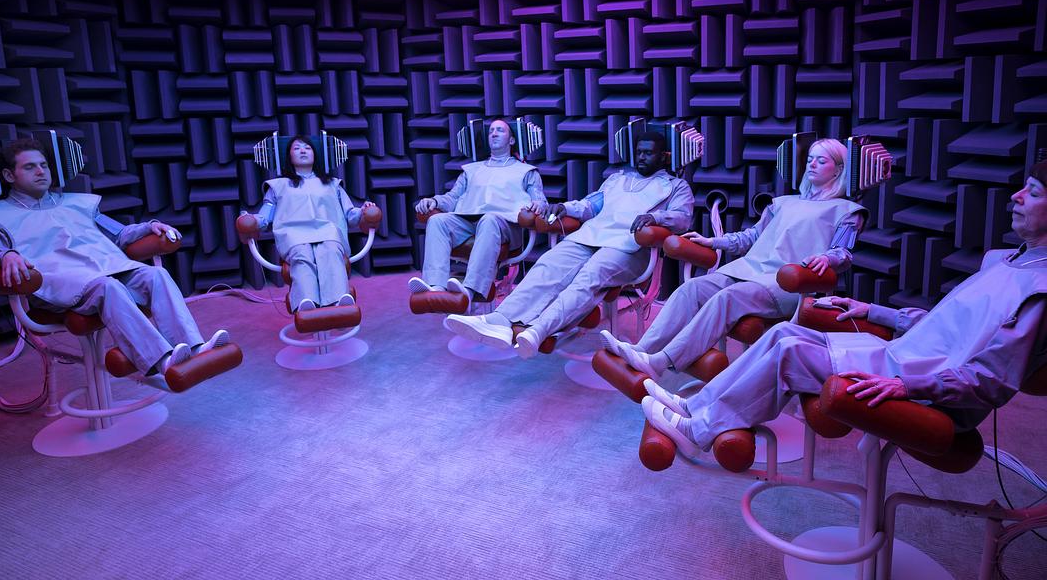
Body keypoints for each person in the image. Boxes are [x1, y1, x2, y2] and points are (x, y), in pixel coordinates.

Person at [642, 162, 1047, 456]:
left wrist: (910, 386)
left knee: (789, 351)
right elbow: (941, 323)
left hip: (926, 385)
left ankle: (700, 429)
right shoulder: (1002, 261)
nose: (1016, 195)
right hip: (902, 355)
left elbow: (992, 381)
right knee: (783, 332)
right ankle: (694, 404)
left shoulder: (1039, 290)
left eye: (1033, 192)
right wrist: (871, 310)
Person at [0, 138, 229, 386]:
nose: (40, 172)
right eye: (29, 167)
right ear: (9, 175)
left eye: (44, 165)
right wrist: (5, 255)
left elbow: (118, 233)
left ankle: (195, 347)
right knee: (108, 287)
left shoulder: (77, 203)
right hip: (59, 286)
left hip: (107, 270)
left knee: (156, 275)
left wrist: (150, 227)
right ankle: (162, 360)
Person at [605, 138, 867, 380]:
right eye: (810, 159)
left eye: (821, 160)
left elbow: (843, 253)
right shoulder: (782, 203)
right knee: (691, 288)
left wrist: (827, 258)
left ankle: (661, 362)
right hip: (749, 270)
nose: (812, 164)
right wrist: (713, 242)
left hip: (784, 284)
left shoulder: (847, 211)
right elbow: (750, 237)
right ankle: (641, 349)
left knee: (727, 297)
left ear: (838, 170)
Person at [445, 131, 694, 358]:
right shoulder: (617, 180)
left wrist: (657, 218)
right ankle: (500, 319)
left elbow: (683, 219)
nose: (641, 157)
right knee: (548, 264)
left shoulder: (676, 187)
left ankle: (538, 330)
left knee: (589, 276)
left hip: (629, 248)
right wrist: (565, 207)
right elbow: (590, 205)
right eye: (639, 152)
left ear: (664, 156)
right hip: (591, 237)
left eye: (648, 153)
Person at [410, 119, 546, 307]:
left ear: (512, 140)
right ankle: (435, 287)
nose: (494, 134)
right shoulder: (471, 170)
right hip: (468, 222)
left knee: (488, 220)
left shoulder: (526, 171)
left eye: (500, 130)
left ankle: (470, 291)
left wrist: (538, 204)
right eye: (491, 131)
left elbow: (540, 200)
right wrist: (434, 201)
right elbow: (452, 197)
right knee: (437, 221)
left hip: (503, 224)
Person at [250, 135, 376, 311]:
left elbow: (350, 214)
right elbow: (264, 217)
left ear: (315, 154)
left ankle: (339, 300)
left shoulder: (333, 184)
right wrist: (251, 220)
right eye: (297, 148)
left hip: (328, 233)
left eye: (307, 148)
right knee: (302, 255)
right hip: (294, 236)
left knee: (331, 251)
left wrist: (363, 210)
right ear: (289, 156)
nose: (302, 150)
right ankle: (306, 303)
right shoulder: (278, 186)